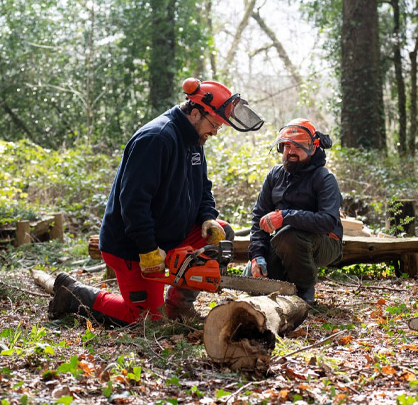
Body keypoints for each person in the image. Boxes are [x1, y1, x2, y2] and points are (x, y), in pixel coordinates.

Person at [48, 78, 263, 326]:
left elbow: (203, 187)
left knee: (221, 232)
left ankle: (178, 307)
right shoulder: (156, 138)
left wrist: (207, 217)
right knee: (146, 320)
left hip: (170, 235)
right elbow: (133, 202)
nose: (215, 132)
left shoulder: (194, 141)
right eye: (214, 124)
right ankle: (73, 294)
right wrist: (148, 248)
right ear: (195, 113)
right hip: (132, 245)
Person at [244, 118, 343, 304]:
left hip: (326, 241)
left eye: (297, 147)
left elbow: (328, 221)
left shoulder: (324, 178)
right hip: (284, 240)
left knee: (290, 236)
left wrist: (286, 217)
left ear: (312, 148)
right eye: (287, 146)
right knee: (251, 277)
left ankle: (304, 291)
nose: (291, 152)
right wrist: (257, 255)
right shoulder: (275, 175)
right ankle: (284, 283)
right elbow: (259, 216)